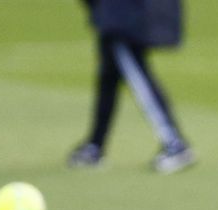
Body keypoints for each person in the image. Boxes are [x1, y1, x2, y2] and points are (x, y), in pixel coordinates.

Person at [68, 0, 194, 173]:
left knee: (136, 74)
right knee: (109, 76)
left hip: (125, 15)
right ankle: (95, 145)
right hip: (118, 13)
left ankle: (174, 143)